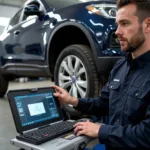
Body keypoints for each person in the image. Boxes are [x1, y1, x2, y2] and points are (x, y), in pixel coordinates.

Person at [52, 0, 150, 149]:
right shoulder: (121, 66)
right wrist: (73, 101)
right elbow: (103, 104)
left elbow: (147, 136)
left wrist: (100, 130)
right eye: (117, 24)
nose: (117, 32)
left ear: (148, 25)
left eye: (125, 23)